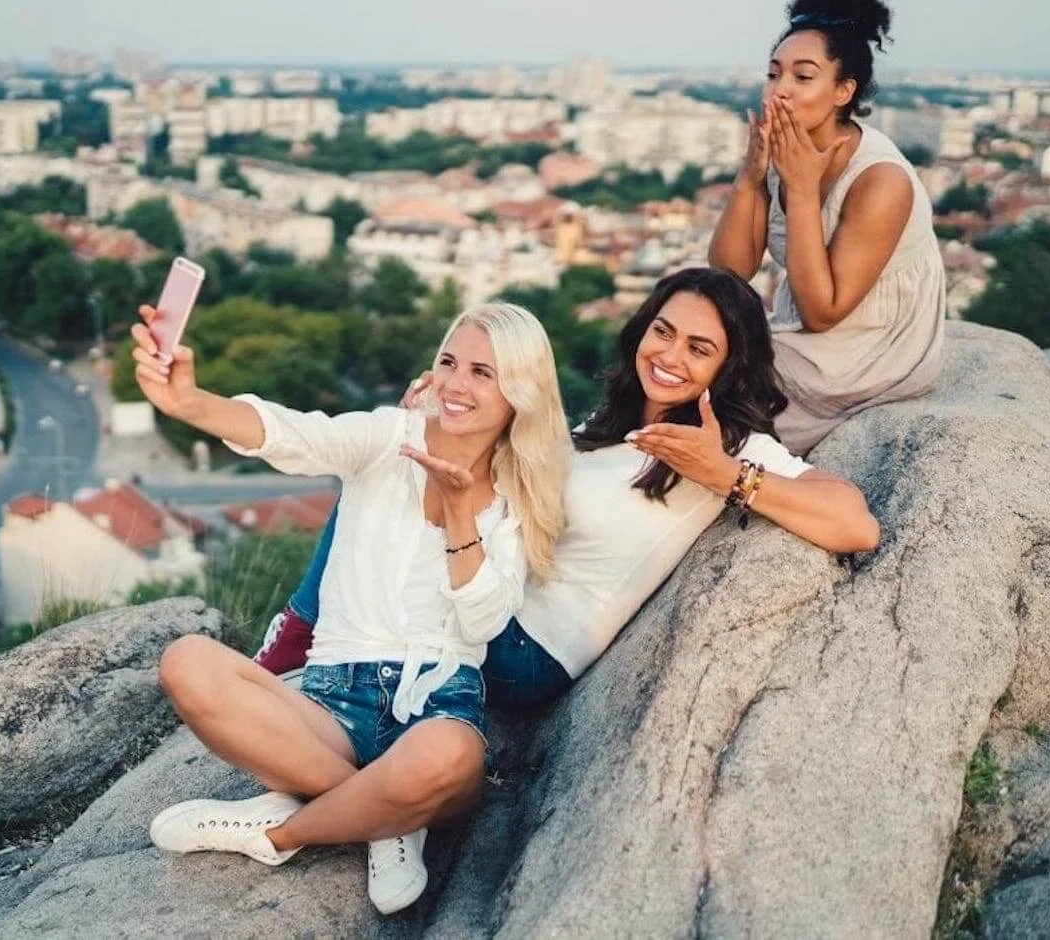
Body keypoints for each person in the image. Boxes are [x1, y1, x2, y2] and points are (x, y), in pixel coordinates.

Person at [257, 267, 881, 713]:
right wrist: (442, 418)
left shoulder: (730, 446)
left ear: (729, 367)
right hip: (493, 600)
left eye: (699, 349)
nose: (669, 355)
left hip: (528, 650)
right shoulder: (606, 427)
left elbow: (855, 523)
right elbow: (508, 476)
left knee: (390, 466)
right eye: (662, 332)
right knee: (394, 460)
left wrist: (724, 475)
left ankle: (295, 638)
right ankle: (306, 640)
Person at [132, 302, 571, 915]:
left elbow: (483, 625)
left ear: (520, 391)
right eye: (449, 362)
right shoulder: (388, 437)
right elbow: (295, 432)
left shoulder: (522, 495)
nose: (455, 384)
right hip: (331, 702)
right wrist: (189, 402)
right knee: (186, 662)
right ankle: (385, 819)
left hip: (436, 706)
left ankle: (280, 833)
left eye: (482, 372)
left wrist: (459, 515)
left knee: (450, 757)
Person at [708, 0, 946, 454]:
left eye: (803, 76)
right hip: (804, 336)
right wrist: (751, 177)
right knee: (678, 336)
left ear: (843, 90)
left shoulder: (881, 180)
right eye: (774, 75)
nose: (782, 90)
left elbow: (824, 313)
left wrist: (801, 189)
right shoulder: (786, 151)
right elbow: (730, 272)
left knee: (704, 390)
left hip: (868, 354)